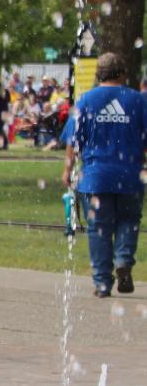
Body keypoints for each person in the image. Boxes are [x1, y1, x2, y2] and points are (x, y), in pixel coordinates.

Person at [63, 52, 147, 298]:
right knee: (129, 221)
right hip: (130, 175)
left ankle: (102, 282)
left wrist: (67, 170)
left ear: (99, 74)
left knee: (98, 227)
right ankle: (123, 260)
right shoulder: (138, 100)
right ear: (122, 73)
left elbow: (72, 140)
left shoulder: (86, 100)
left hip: (95, 176)